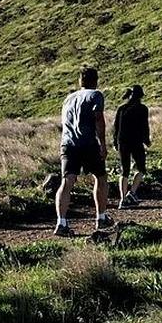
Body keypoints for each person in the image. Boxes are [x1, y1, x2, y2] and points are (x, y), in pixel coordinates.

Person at [55, 68, 112, 236]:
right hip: (87, 142)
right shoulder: (95, 95)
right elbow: (99, 119)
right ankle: (100, 217)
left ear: (80, 81)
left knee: (67, 182)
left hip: (68, 143)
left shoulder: (68, 99)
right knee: (100, 178)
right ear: (95, 81)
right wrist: (102, 143)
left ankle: (61, 222)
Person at [112, 85, 150, 209]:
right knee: (141, 168)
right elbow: (145, 126)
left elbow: (116, 127)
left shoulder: (121, 109)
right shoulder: (142, 109)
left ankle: (122, 199)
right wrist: (147, 140)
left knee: (125, 170)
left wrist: (115, 142)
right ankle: (132, 193)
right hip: (136, 142)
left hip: (122, 142)